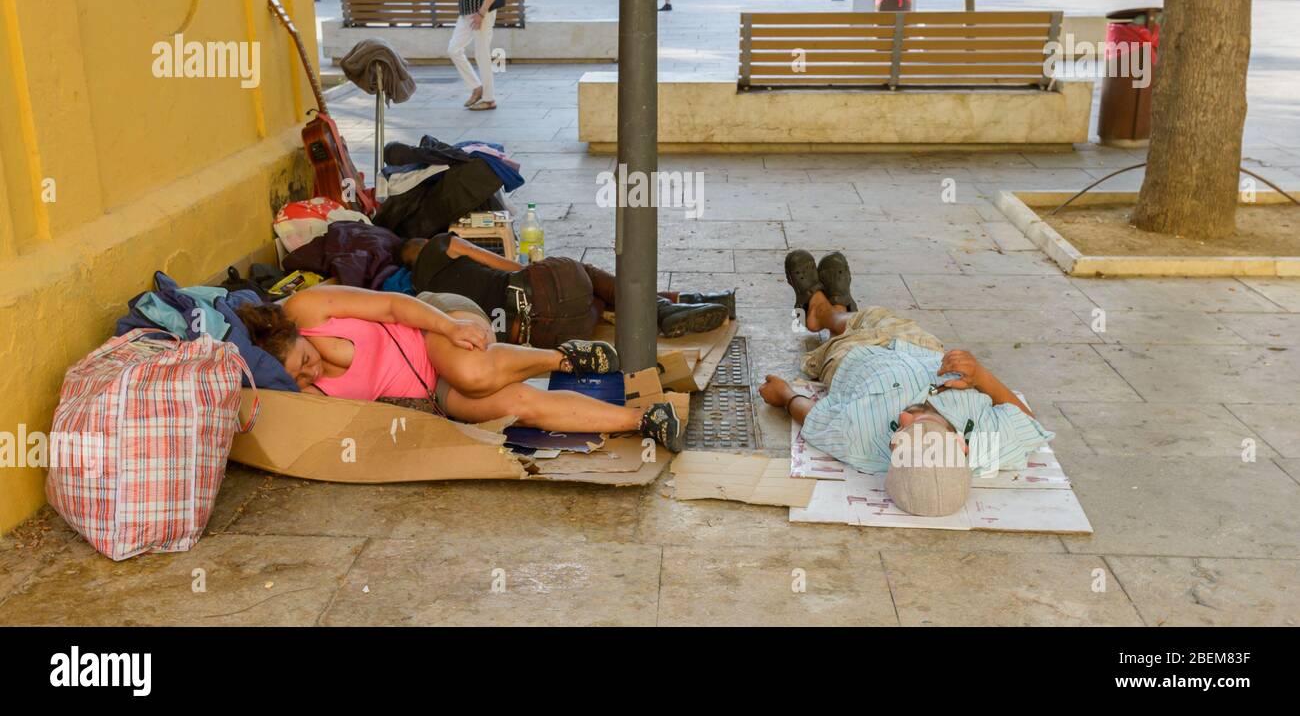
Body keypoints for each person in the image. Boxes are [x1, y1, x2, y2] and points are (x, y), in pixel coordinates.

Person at [758, 249, 1054, 516]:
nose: (901, 416)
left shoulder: (858, 442)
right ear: (961, 447)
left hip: (854, 357)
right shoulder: (987, 446)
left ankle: (822, 309)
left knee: (852, 330)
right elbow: (1027, 422)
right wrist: (981, 376)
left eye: (898, 438)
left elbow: (814, 416)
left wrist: (785, 395)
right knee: (880, 316)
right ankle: (836, 308)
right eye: (920, 422)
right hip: (920, 346)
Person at [239, 286, 684, 451]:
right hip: (429, 391)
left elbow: (395, 305)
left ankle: (561, 357)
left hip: (436, 323)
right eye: (297, 379)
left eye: (303, 361)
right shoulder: (299, 392)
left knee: (474, 375)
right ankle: (644, 419)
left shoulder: (308, 307)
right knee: (519, 404)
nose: (309, 375)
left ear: (289, 330)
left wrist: (450, 326)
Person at [400, 233, 734, 345]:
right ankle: (666, 307)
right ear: (421, 246)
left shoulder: (422, 297)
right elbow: (504, 264)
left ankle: (687, 302)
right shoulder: (439, 247)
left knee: (595, 299)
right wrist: (533, 272)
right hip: (537, 289)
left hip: (550, 334)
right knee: (585, 276)